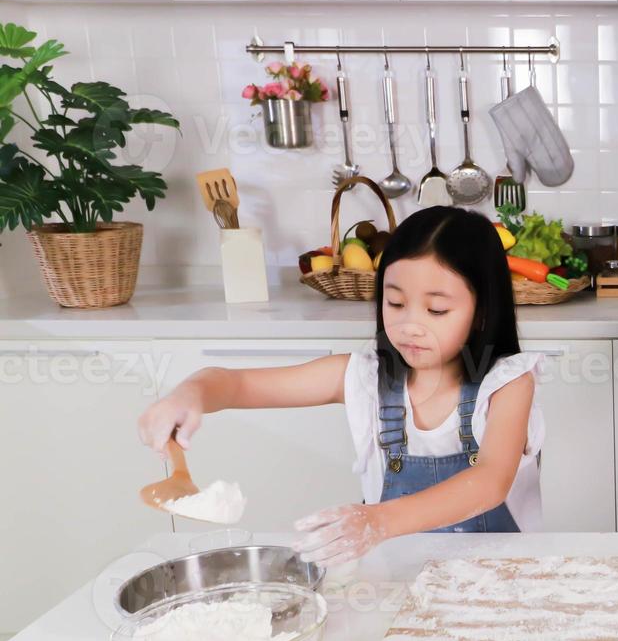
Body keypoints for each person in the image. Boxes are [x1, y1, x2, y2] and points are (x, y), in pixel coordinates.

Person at [137, 206, 544, 563]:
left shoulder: (507, 383)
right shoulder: (365, 378)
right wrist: (191, 392)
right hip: (401, 576)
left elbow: (490, 481)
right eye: (396, 303)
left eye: (437, 309)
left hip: (500, 575)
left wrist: (377, 520)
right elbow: (237, 384)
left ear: (481, 312)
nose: (410, 326)